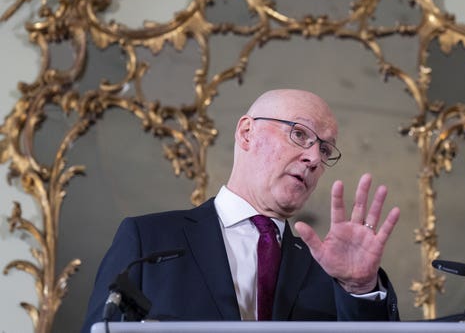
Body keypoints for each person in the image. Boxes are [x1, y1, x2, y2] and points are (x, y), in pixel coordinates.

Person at [81, 89, 401, 332]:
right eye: (300, 134)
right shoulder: (149, 242)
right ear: (247, 133)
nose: (314, 158)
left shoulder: (331, 270)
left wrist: (359, 288)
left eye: (325, 149)